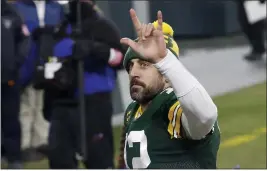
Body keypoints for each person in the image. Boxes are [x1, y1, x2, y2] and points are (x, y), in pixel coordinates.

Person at [117, 9, 220, 169]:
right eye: (131, 66)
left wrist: (164, 61)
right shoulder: (132, 111)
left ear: (167, 75)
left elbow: (205, 116)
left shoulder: (172, 105)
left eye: (144, 65)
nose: (134, 73)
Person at [46, 0, 125, 169]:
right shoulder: (60, 28)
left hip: (94, 102)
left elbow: (122, 59)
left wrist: (96, 49)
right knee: (60, 159)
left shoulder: (103, 26)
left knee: (98, 158)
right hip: (62, 102)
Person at [12, 0, 64, 160]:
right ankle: (24, 145)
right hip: (26, 64)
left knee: (44, 104)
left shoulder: (55, 8)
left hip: (50, 62)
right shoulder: (18, 7)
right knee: (26, 105)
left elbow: (61, 32)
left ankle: (41, 142)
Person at [1, 0, 30, 168]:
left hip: (8, 78)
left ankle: (14, 158)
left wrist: (16, 62)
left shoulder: (11, 13)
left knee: (10, 119)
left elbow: (24, 39)